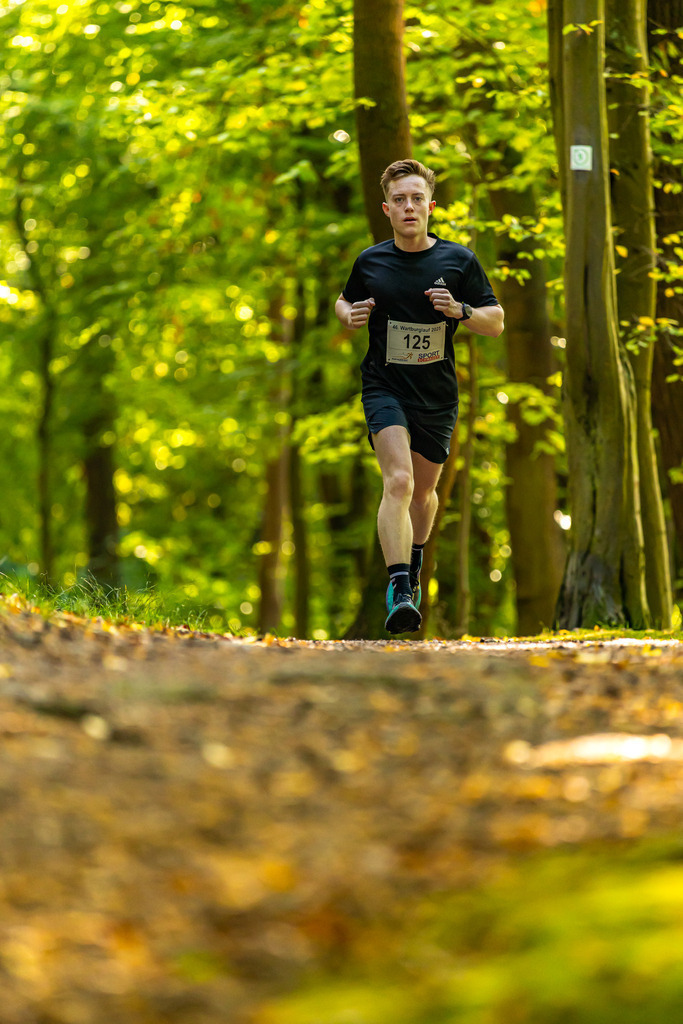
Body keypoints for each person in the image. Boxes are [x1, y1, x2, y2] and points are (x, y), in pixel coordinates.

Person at [335, 159, 504, 634]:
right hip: (385, 387)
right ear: (386, 209)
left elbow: (496, 321)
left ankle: (412, 558)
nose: (408, 207)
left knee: (424, 493)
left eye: (416, 199)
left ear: (430, 206)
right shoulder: (371, 261)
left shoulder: (459, 260)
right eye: (399, 200)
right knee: (400, 482)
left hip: (437, 395)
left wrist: (462, 309)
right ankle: (400, 587)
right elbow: (343, 299)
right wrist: (349, 314)